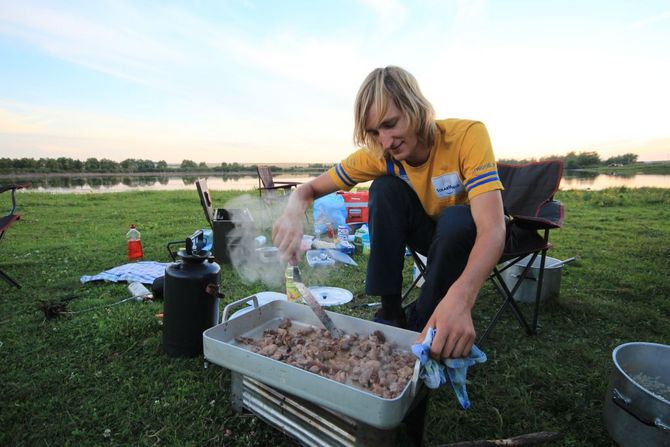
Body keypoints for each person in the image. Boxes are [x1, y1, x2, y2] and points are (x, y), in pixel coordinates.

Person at [272, 66, 506, 360]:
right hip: (427, 235)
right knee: (383, 189)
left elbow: (493, 229)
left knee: (457, 218)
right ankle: (391, 314)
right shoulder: (382, 154)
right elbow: (308, 190)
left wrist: (462, 298)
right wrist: (294, 210)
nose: (385, 141)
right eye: (374, 132)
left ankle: (422, 328)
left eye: (391, 124)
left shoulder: (467, 136)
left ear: (415, 107)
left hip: (465, 238)